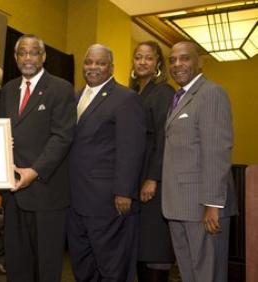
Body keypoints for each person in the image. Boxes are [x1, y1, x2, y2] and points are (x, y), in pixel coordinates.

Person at [0, 34, 75, 282]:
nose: (28, 58)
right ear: (15, 57)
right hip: (13, 192)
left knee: (47, 265)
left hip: (46, 192)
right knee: (17, 262)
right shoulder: (8, 89)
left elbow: (62, 137)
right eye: (22, 53)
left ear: (43, 57)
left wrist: (35, 171)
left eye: (33, 53)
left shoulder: (61, 88)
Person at [67, 44, 146, 282]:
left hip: (108, 202)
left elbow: (131, 149)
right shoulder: (75, 97)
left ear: (111, 67)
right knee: (82, 265)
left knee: (112, 267)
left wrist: (124, 192)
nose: (93, 67)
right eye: (89, 62)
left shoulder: (126, 98)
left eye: (100, 63)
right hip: (75, 200)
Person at [162, 41, 238, 282]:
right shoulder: (178, 97)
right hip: (178, 205)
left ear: (199, 62)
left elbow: (216, 150)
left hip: (203, 206)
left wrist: (213, 204)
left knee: (208, 275)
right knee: (189, 274)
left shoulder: (211, 93)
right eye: (172, 60)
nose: (177, 65)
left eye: (184, 58)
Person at [129, 41, 175, 282]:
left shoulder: (164, 92)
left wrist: (152, 178)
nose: (142, 62)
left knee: (154, 248)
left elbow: (164, 138)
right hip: (135, 180)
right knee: (140, 249)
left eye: (148, 58)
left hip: (152, 184)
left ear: (158, 62)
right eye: (138, 57)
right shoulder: (135, 92)